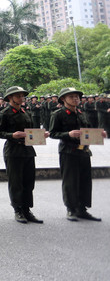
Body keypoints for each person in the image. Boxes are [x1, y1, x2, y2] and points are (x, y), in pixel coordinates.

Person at [49, 87, 106, 222]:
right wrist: (68, 134)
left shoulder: (81, 112)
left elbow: (87, 130)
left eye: (77, 97)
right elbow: (52, 133)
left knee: (85, 180)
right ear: (63, 99)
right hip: (68, 151)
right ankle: (71, 209)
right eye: (72, 97)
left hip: (84, 151)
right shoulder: (58, 114)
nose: (75, 99)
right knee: (70, 181)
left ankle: (82, 209)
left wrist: (99, 133)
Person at [0, 86, 47, 224]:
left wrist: (40, 135)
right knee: (16, 182)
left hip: (28, 150)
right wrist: (12, 135)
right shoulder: (4, 113)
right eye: (18, 95)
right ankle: (17, 210)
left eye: (22, 95)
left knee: (28, 182)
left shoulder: (24, 111)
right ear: (10, 98)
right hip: (13, 151)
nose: (21, 98)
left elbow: (30, 130)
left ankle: (27, 209)